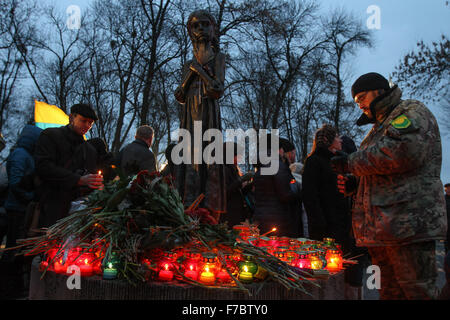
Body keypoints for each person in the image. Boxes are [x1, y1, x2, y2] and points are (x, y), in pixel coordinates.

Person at [331, 72, 447, 300]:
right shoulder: (379, 127)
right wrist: (357, 183)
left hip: (408, 225)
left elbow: (404, 152)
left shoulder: (410, 112)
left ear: (380, 91)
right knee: (391, 293)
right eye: (356, 101)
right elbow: (384, 170)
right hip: (385, 230)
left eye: (363, 97)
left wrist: (350, 163)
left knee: (418, 291)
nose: (360, 105)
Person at [174, 10, 226, 215]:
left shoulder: (218, 58)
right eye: (196, 26)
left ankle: (208, 208)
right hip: (189, 115)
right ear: (190, 31)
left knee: (208, 157)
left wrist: (200, 71)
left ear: (213, 28)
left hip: (208, 114)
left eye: (205, 24)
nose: (201, 29)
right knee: (190, 159)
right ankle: (188, 204)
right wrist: (191, 74)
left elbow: (217, 89)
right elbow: (180, 95)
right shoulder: (188, 64)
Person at [34, 103, 103, 228]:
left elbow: (89, 175)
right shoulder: (50, 136)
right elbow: (43, 166)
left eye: (91, 123)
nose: (87, 125)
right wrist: (78, 180)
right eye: (83, 121)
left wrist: (95, 183)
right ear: (71, 117)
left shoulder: (90, 150)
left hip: (76, 211)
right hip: (50, 204)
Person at [0, 124, 42, 299]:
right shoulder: (20, 155)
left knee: (17, 248)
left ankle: (13, 285)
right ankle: (7, 287)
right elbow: (16, 183)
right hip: (16, 209)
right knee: (13, 248)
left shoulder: (26, 155)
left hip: (21, 207)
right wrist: (31, 196)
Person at [302, 125, 351, 247]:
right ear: (328, 141)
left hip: (340, 220)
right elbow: (310, 195)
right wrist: (319, 222)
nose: (340, 140)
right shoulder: (314, 161)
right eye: (337, 137)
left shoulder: (339, 161)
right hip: (326, 223)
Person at [252, 136, 301, 238]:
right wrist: (294, 185)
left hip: (261, 218)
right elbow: (285, 195)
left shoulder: (261, 167)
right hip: (278, 220)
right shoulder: (277, 166)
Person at [219, 142, 254, 227]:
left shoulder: (233, 169)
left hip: (237, 212)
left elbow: (239, 192)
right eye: (237, 156)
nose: (239, 159)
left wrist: (251, 184)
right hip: (229, 214)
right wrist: (241, 180)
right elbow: (225, 193)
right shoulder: (223, 169)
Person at [445, 183, 450, 252]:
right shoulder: (442, 198)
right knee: (447, 244)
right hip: (446, 224)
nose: (448, 190)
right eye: (446, 189)